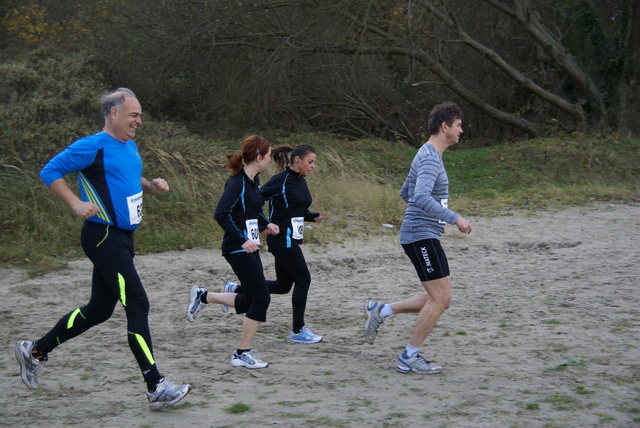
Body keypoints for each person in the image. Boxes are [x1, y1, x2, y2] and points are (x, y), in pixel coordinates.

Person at [14, 88, 191, 409]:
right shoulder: (92, 145)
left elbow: (129, 179)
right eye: (133, 114)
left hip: (124, 239)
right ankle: (155, 386)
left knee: (99, 310)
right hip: (102, 236)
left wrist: (152, 185)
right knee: (137, 303)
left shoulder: (129, 145)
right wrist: (75, 203)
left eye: (139, 115)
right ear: (113, 113)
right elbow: (49, 171)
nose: (139, 120)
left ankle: (35, 351)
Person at [363, 101, 473, 374]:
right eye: (458, 125)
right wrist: (454, 218)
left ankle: (381, 310)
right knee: (439, 299)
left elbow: (406, 193)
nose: (462, 130)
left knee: (441, 298)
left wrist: (435, 217)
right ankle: (409, 356)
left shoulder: (427, 155)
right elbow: (420, 196)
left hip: (424, 233)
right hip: (419, 237)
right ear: (444, 126)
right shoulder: (429, 157)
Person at [186, 135, 279, 369]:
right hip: (237, 248)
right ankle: (241, 353)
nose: (269, 161)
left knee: (249, 299)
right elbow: (221, 214)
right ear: (258, 157)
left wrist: (265, 223)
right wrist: (241, 239)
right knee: (261, 298)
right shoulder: (237, 183)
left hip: (250, 244)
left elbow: (250, 211)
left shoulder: (253, 181)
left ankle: (203, 296)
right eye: (268, 157)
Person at [223, 144, 324, 344]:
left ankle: (236, 289)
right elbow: (255, 201)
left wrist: (311, 217)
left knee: (283, 285)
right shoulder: (281, 180)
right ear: (297, 160)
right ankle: (298, 330)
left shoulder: (300, 181)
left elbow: (295, 209)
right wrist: (262, 223)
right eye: (310, 162)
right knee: (303, 280)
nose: (312, 166)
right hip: (281, 239)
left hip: (290, 239)